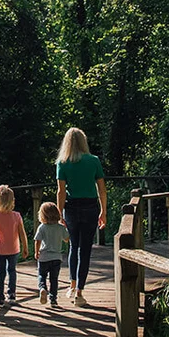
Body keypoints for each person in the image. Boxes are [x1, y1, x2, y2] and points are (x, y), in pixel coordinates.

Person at [54, 126, 106, 306]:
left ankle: (72, 284)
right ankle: (80, 292)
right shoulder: (94, 161)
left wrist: (59, 213)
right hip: (90, 207)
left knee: (73, 247)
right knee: (85, 249)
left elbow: (61, 191)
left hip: (72, 208)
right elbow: (102, 189)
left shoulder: (63, 162)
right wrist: (103, 211)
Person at [33, 201, 68, 307]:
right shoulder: (60, 227)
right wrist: (65, 227)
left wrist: (36, 252)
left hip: (44, 257)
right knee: (54, 279)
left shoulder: (42, 227)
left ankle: (43, 288)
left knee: (42, 275)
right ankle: (53, 299)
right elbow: (66, 239)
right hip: (57, 257)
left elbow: (37, 240)